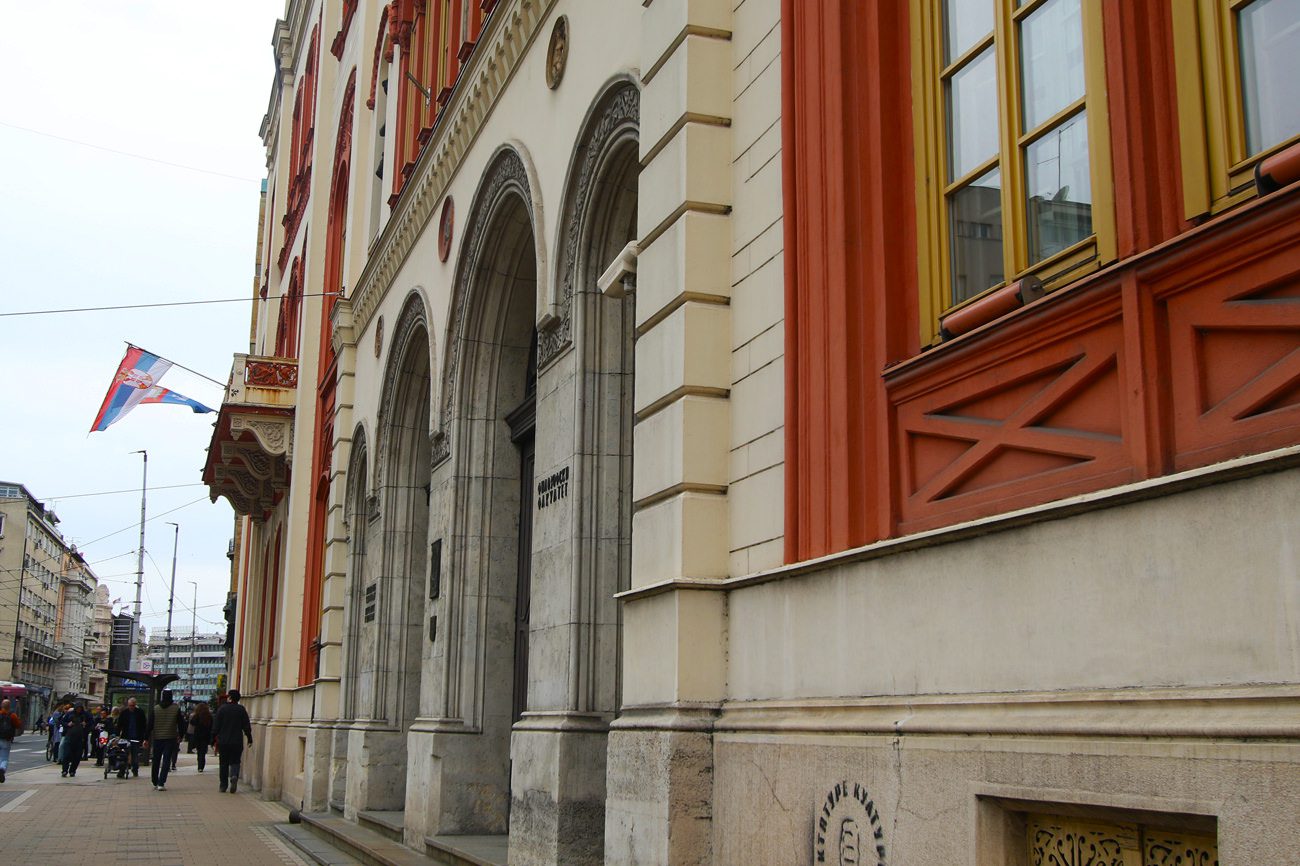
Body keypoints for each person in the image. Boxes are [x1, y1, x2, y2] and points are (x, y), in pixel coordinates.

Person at [212, 688, 252, 794]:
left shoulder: (222, 709)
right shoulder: (241, 709)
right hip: (237, 741)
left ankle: (223, 785)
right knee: (235, 761)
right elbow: (246, 726)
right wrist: (249, 737)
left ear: (229, 697)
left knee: (223, 763)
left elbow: (216, 726)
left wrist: (212, 739)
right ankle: (234, 775)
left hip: (223, 741)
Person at [148, 690, 184, 791]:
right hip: (170, 737)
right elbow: (181, 724)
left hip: (157, 738)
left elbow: (150, 724)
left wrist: (145, 738)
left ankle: (155, 780)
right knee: (166, 760)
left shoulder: (156, 708)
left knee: (156, 760)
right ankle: (161, 783)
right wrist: (181, 735)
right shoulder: (176, 708)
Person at [117, 697, 147, 778]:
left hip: (136, 737)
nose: (131, 707)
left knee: (135, 755)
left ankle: (135, 769)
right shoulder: (124, 713)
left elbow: (144, 725)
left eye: (133, 705)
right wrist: (117, 734)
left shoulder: (140, 713)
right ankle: (122, 770)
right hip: (126, 736)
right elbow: (119, 724)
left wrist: (144, 737)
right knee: (124, 754)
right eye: (130, 705)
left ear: (135, 705)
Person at [59, 704, 91, 777]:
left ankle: (72, 771)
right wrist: (67, 724)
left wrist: (86, 725)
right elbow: (62, 721)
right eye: (77, 708)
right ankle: (64, 770)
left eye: (80, 708)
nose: (79, 710)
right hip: (69, 736)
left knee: (77, 756)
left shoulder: (85, 715)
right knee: (66, 754)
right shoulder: (69, 714)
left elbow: (91, 723)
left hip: (80, 738)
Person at [0, 698, 23, 783]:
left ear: (1, 706)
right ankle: (2, 769)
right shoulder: (12, 715)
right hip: (6, 739)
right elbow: (18, 725)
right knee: (4, 757)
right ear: (9, 706)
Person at [187, 702, 213, 774]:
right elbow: (212, 725)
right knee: (203, 751)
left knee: (199, 750)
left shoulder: (197, 715)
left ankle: (199, 765)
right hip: (206, 735)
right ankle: (201, 765)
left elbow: (192, 722)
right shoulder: (209, 716)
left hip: (197, 735)